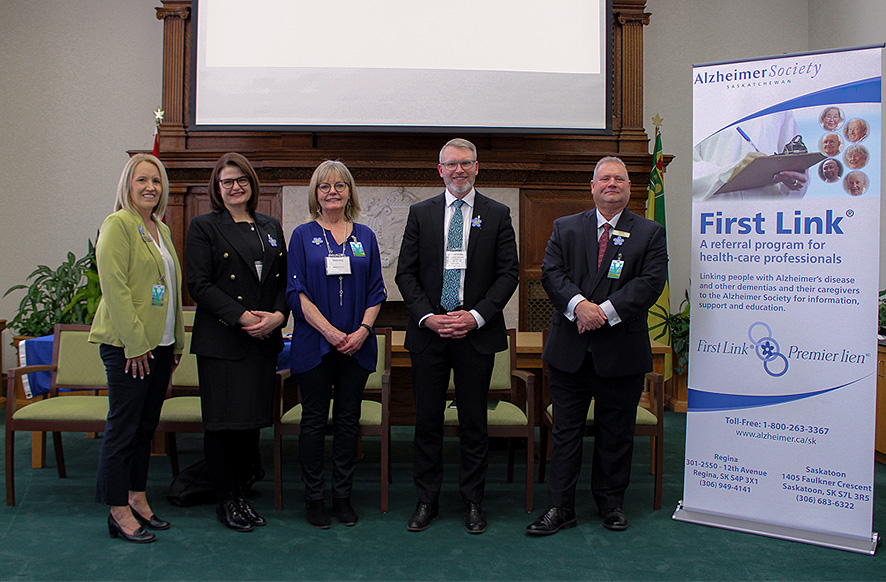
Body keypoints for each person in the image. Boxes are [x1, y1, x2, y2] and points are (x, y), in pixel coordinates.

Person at [526, 156, 667, 536]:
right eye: (604, 179)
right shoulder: (565, 227)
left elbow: (650, 283)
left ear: (629, 187)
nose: (611, 184)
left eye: (619, 179)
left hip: (621, 351)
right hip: (569, 352)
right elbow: (552, 274)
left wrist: (601, 311)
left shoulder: (650, 232)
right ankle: (560, 507)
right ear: (592, 186)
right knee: (565, 432)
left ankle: (611, 504)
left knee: (616, 432)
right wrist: (579, 307)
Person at [395, 138, 519, 534]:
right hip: (430, 334)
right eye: (451, 165)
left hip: (475, 335)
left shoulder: (497, 214)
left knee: (473, 422)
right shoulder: (421, 213)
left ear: (477, 168)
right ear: (440, 170)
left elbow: (508, 274)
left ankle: (473, 502)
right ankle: (426, 500)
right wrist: (429, 316)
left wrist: (477, 316)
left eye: (466, 164)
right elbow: (405, 274)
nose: (459, 170)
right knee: (427, 421)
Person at [186, 153, 289, 532]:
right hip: (223, 342)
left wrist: (278, 316)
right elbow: (199, 284)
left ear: (251, 184)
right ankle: (226, 500)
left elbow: (282, 281)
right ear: (216, 187)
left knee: (248, 424)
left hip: (262, 341)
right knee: (222, 424)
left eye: (241, 180)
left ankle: (241, 493)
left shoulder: (270, 225)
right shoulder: (203, 226)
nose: (235, 187)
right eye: (227, 181)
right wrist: (243, 317)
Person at [89, 154, 185, 544]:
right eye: (142, 180)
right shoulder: (118, 224)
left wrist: (175, 341)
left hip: (159, 347)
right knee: (123, 428)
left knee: (145, 429)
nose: (150, 187)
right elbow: (114, 288)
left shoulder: (158, 228)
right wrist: (134, 344)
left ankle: (137, 497)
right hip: (129, 347)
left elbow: (172, 291)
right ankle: (116, 509)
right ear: (128, 185)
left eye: (157, 181)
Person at [287, 160, 386, 529]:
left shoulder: (365, 236)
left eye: (340, 185)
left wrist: (362, 330)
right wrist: (329, 331)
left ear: (350, 192)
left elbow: (377, 290)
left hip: (357, 344)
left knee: (348, 421)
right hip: (315, 343)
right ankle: (314, 498)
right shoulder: (302, 235)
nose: (332, 191)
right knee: (313, 422)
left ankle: (342, 496)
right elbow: (295, 292)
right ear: (315, 194)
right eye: (324, 186)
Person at [693, 112, 808, 200]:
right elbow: (683, 170)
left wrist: (794, 181)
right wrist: (731, 172)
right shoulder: (698, 97)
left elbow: (795, 177)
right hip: (713, 218)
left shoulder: (780, 107)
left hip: (764, 218)